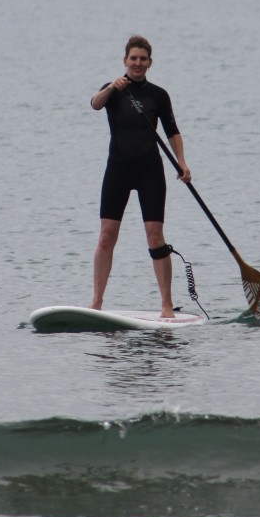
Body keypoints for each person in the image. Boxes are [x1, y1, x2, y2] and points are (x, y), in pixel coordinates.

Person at [89, 35, 191, 318]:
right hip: (118, 170)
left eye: (142, 59)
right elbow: (95, 104)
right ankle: (96, 302)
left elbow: (172, 131)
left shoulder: (158, 95)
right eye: (132, 58)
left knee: (155, 236)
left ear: (149, 63)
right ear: (125, 61)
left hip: (150, 170)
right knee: (107, 237)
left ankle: (166, 305)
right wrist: (112, 87)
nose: (137, 63)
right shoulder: (112, 90)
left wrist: (182, 163)